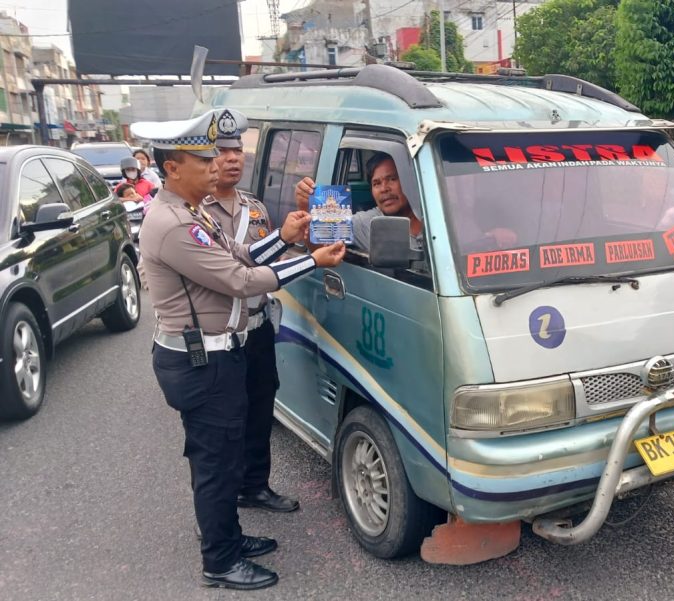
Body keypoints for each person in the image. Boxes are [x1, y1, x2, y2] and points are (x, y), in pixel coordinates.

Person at [133, 112, 345, 590]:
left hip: (216, 355)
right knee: (215, 461)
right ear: (172, 167)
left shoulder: (194, 212)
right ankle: (220, 560)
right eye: (202, 157)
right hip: (199, 360)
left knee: (227, 454)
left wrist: (285, 239)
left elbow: (242, 256)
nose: (214, 164)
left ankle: (228, 535)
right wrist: (310, 260)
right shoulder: (171, 223)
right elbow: (239, 281)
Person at [202, 108, 298, 515]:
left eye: (237, 150)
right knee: (222, 424)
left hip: (257, 327)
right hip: (218, 335)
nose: (232, 158)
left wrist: (303, 238)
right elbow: (236, 272)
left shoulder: (256, 207)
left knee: (261, 408)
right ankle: (219, 508)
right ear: (208, 160)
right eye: (222, 151)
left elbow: (274, 256)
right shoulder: (196, 213)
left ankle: (255, 486)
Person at [295, 152, 515, 252]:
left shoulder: (446, 215)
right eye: (376, 183)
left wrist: (496, 236)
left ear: (410, 181)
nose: (385, 189)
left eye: (392, 179)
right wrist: (305, 207)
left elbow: (474, 250)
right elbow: (317, 247)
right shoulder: (366, 223)